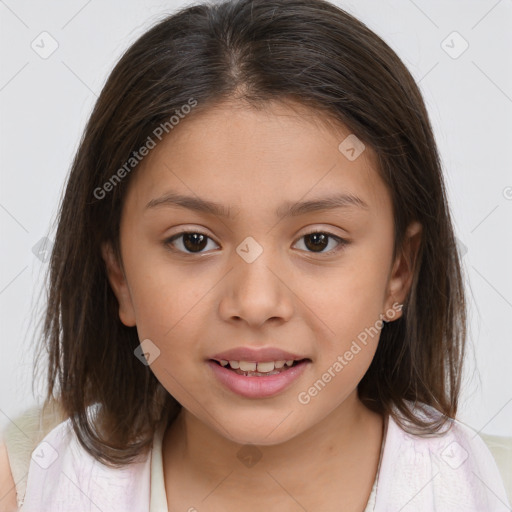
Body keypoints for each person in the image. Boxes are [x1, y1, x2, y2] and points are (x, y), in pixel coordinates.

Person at [0, 0, 510, 510]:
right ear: (120, 276)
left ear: (399, 272)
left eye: (317, 240)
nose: (257, 302)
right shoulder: (24, 483)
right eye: (193, 241)